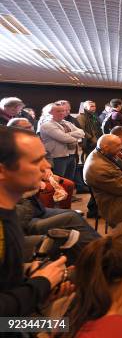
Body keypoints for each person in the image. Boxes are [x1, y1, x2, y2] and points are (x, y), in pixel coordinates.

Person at [1, 126, 74, 316]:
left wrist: (27, 277)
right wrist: (41, 284)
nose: (47, 167)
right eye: (36, 161)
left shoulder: (8, 213)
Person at [39, 103, 85, 181]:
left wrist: (67, 134)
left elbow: (82, 132)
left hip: (71, 155)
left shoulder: (66, 122)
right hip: (57, 157)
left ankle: (68, 193)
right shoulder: (47, 125)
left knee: (69, 181)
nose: (62, 113)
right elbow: (64, 138)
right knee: (59, 181)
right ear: (50, 113)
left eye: (63, 111)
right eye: (58, 111)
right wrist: (75, 138)